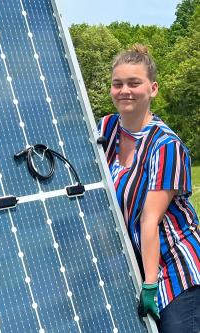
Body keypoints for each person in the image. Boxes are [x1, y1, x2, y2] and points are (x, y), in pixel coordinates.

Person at [99, 44, 199, 332]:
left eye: (134, 83)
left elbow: (149, 219)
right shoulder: (106, 130)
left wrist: (150, 285)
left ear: (152, 88)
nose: (124, 91)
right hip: (140, 267)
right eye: (117, 84)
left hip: (176, 269)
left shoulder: (165, 145)